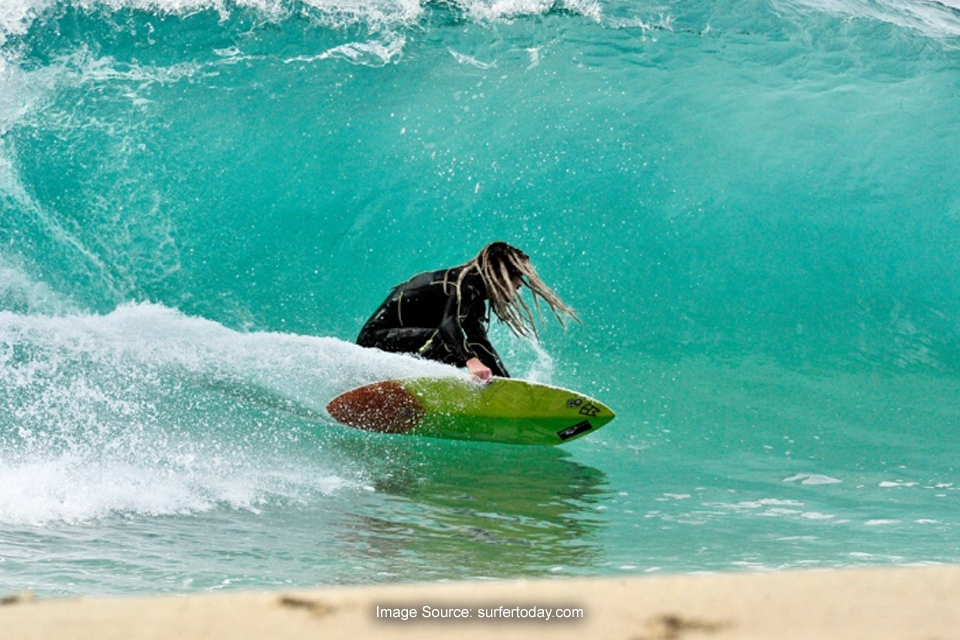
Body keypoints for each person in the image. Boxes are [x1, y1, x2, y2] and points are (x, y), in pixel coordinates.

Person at [357, 242, 578, 382]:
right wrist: (470, 361)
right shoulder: (462, 283)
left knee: (467, 346)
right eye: (517, 276)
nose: (521, 283)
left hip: (402, 346)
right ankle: (405, 385)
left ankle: (415, 386)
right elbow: (447, 325)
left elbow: (480, 344)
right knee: (449, 341)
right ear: (501, 274)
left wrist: (508, 385)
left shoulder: (476, 300)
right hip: (375, 340)